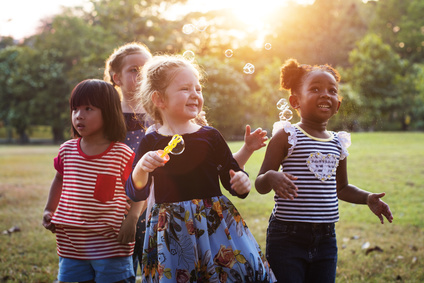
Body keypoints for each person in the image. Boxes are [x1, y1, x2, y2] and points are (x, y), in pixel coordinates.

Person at [104, 42, 268, 281]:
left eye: (198, 89)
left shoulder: (209, 135)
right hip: (171, 227)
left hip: (213, 223)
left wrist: (241, 182)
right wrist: (141, 168)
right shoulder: (151, 140)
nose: (195, 95)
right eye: (185, 89)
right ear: (159, 99)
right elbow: (135, 190)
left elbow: (230, 176)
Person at [255, 59, 394, 283]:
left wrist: (367, 197)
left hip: (326, 239)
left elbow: (342, 188)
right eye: (315, 89)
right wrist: (271, 177)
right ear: (295, 101)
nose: (325, 94)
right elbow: (260, 183)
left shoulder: (338, 143)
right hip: (287, 236)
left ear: (337, 105)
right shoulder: (287, 136)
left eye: (332, 91)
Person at [42, 79, 136, 283]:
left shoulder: (122, 154)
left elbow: (140, 189)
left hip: (110, 244)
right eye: (75, 109)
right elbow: (59, 179)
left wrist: (132, 220)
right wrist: (50, 209)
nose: (79, 115)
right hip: (71, 243)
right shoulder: (67, 150)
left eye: (88, 108)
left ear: (109, 112)